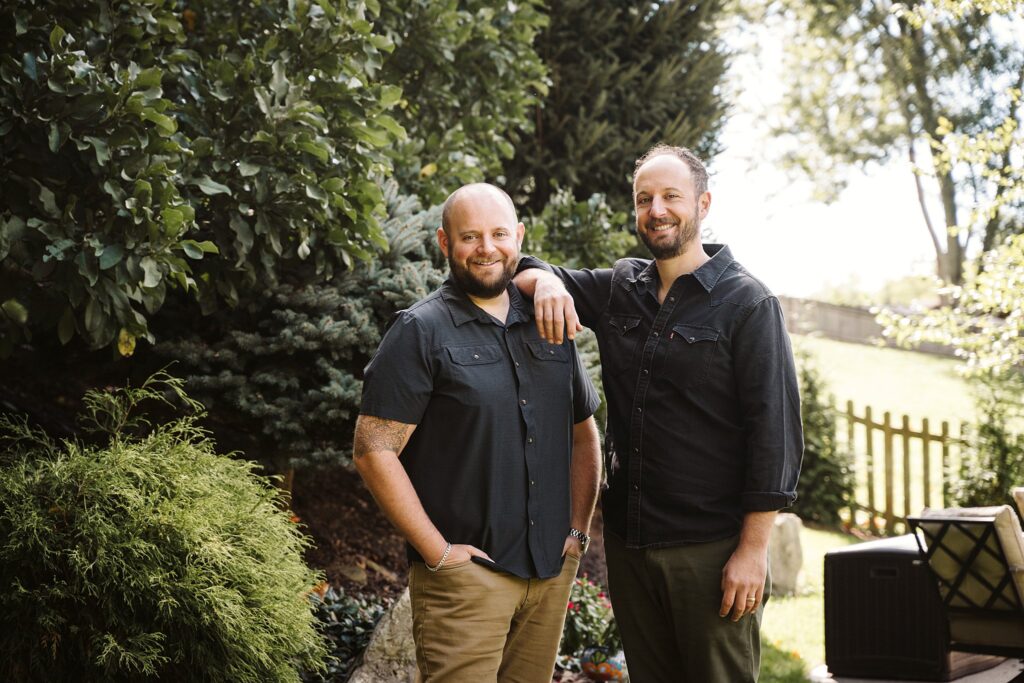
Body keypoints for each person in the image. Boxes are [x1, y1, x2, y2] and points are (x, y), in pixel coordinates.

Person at [514, 145, 803, 682]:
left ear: (703, 203)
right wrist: (548, 281)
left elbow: (776, 436)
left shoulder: (749, 304)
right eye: (644, 199)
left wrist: (752, 550)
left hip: (711, 552)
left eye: (671, 196)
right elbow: (524, 269)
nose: (657, 209)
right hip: (630, 544)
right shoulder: (624, 286)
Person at [354, 182, 602, 683]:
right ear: (446, 244)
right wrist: (438, 552)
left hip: (550, 575)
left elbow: (583, 435)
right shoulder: (420, 330)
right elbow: (373, 450)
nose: (487, 248)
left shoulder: (548, 320)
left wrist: (577, 531)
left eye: (498, 234)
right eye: (470, 236)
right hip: (467, 583)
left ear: (519, 237)